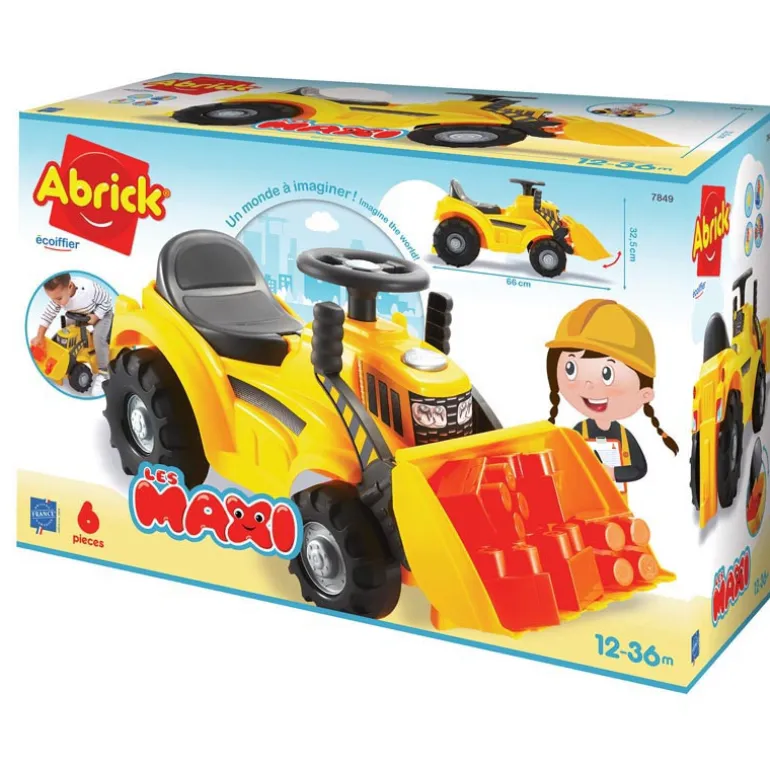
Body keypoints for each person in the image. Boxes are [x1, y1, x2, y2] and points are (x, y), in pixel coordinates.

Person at [545, 299, 678, 501]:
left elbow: (639, 468)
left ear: (645, 394)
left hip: (617, 503)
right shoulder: (578, 432)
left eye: (607, 374)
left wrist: (612, 473)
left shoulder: (624, 436)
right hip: (584, 502)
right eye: (570, 369)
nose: (588, 385)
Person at [31, 273, 113, 396]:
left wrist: (96, 316)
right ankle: (67, 358)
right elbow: (48, 314)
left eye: (59, 299)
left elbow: (107, 300)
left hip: (102, 314)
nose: (56, 303)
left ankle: (104, 373)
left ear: (70, 286)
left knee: (98, 337)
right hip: (79, 314)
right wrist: (40, 336)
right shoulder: (58, 296)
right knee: (69, 330)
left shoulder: (89, 290)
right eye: (53, 299)